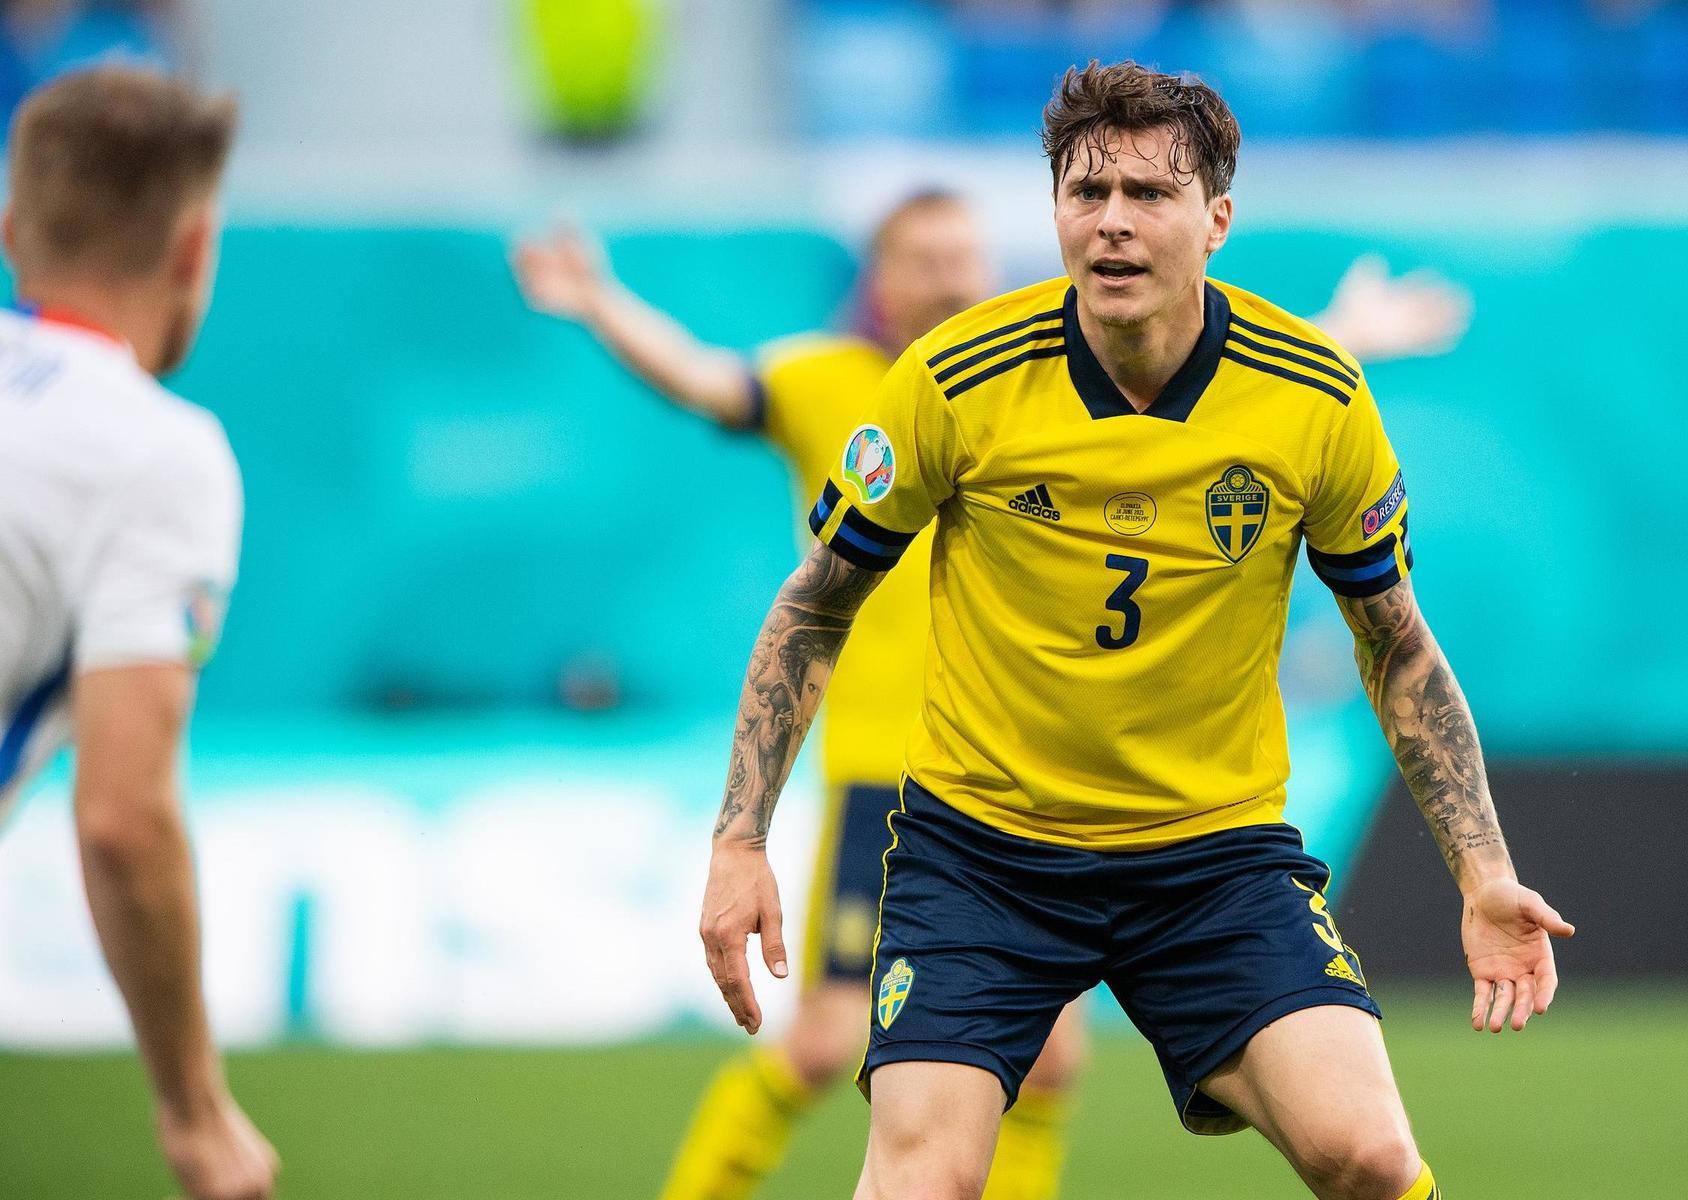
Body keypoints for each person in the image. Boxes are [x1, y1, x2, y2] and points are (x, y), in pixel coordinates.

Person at [697, 60, 1571, 1200]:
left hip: (1211, 861)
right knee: (922, 1183)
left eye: (1148, 196)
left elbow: (1395, 643)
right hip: (982, 859)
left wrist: (1484, 870)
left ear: (1215, 220)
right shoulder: (953, 381)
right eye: (1084, 191)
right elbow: (817, 603)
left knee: (1371, 1157)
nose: (1111, 222)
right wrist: (739, 837)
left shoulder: (1313, 396)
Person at [513, 188, 1468, 1200]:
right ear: (879, 278)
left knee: (1050, 1065)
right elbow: (706, 380)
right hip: (900, 775)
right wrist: (600, 304)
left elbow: (1223, 377)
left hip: (1039, 782)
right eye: (923, 258)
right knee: (820, 1048)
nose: (950, 277)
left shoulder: (1034, 382)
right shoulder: (833, 382)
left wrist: (1350, 331)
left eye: (964, 257)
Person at [0, 67, 277, 1200]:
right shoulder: (156, 450)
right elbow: (121, 818)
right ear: (192, 250)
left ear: (12, 231)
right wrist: (196, 1114)